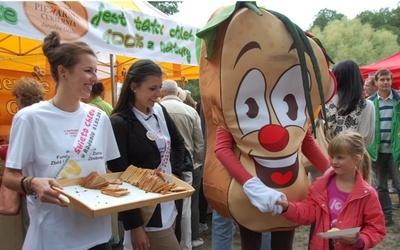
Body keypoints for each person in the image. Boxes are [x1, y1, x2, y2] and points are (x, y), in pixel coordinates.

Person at [3, 31, 120, 250]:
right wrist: (32, 183)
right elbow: (10, 176)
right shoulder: (30, 118)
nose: (95, 78)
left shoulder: (99, 117)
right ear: (62, 71)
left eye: (95, 71)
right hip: (55, 234)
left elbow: (106, 171)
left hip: (97, 232)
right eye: (88, 70)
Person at [107, 59, 185, 250]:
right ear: (134, 86)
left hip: (169, 202)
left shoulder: (159, 111)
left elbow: (178, 142)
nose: (158, 95)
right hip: (145, 212)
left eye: (159, 88)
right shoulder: (119, 124)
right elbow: (120, 178)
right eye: (152, 89)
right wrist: (134, 225)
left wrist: (173, 172)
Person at [277, 131, 386, 250]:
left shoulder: (367, 194)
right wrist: (288, 207)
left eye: (340, 157)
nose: (333, 162)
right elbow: (309, 211)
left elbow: (376, 228)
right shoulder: (321, 186)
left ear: (356, 159)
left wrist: (359, 241)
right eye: (332, 156)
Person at [160, 79, 204, 249]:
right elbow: (199, 142)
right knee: (188, 205)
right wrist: (197, 162)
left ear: (161, 92)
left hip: (161, 166)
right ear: (178, 93)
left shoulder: (155, 110)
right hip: (188, 165)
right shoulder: (190, 111)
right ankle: (188, 241)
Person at [10, 76, 46, 240]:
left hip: (32, 187)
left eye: (16, 97)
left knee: (32, 227)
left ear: (21, 97)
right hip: (44, 185)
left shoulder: (24, 117)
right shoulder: (45, 115)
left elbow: (16, 157)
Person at [367, 68, 400, 226]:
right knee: (381, 185)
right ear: (376, 82)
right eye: (382, 80)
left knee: (399, 183)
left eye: (388, 79)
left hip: (396, 150)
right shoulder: (370, 102)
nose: (385, 82)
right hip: (377, 151)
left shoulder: (398, 100)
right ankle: (387, 216)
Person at [325, 59, 375, 147]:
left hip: (323, 154)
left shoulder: (324, 103)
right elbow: (367, 139)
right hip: (352, 156)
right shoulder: (366, 105)